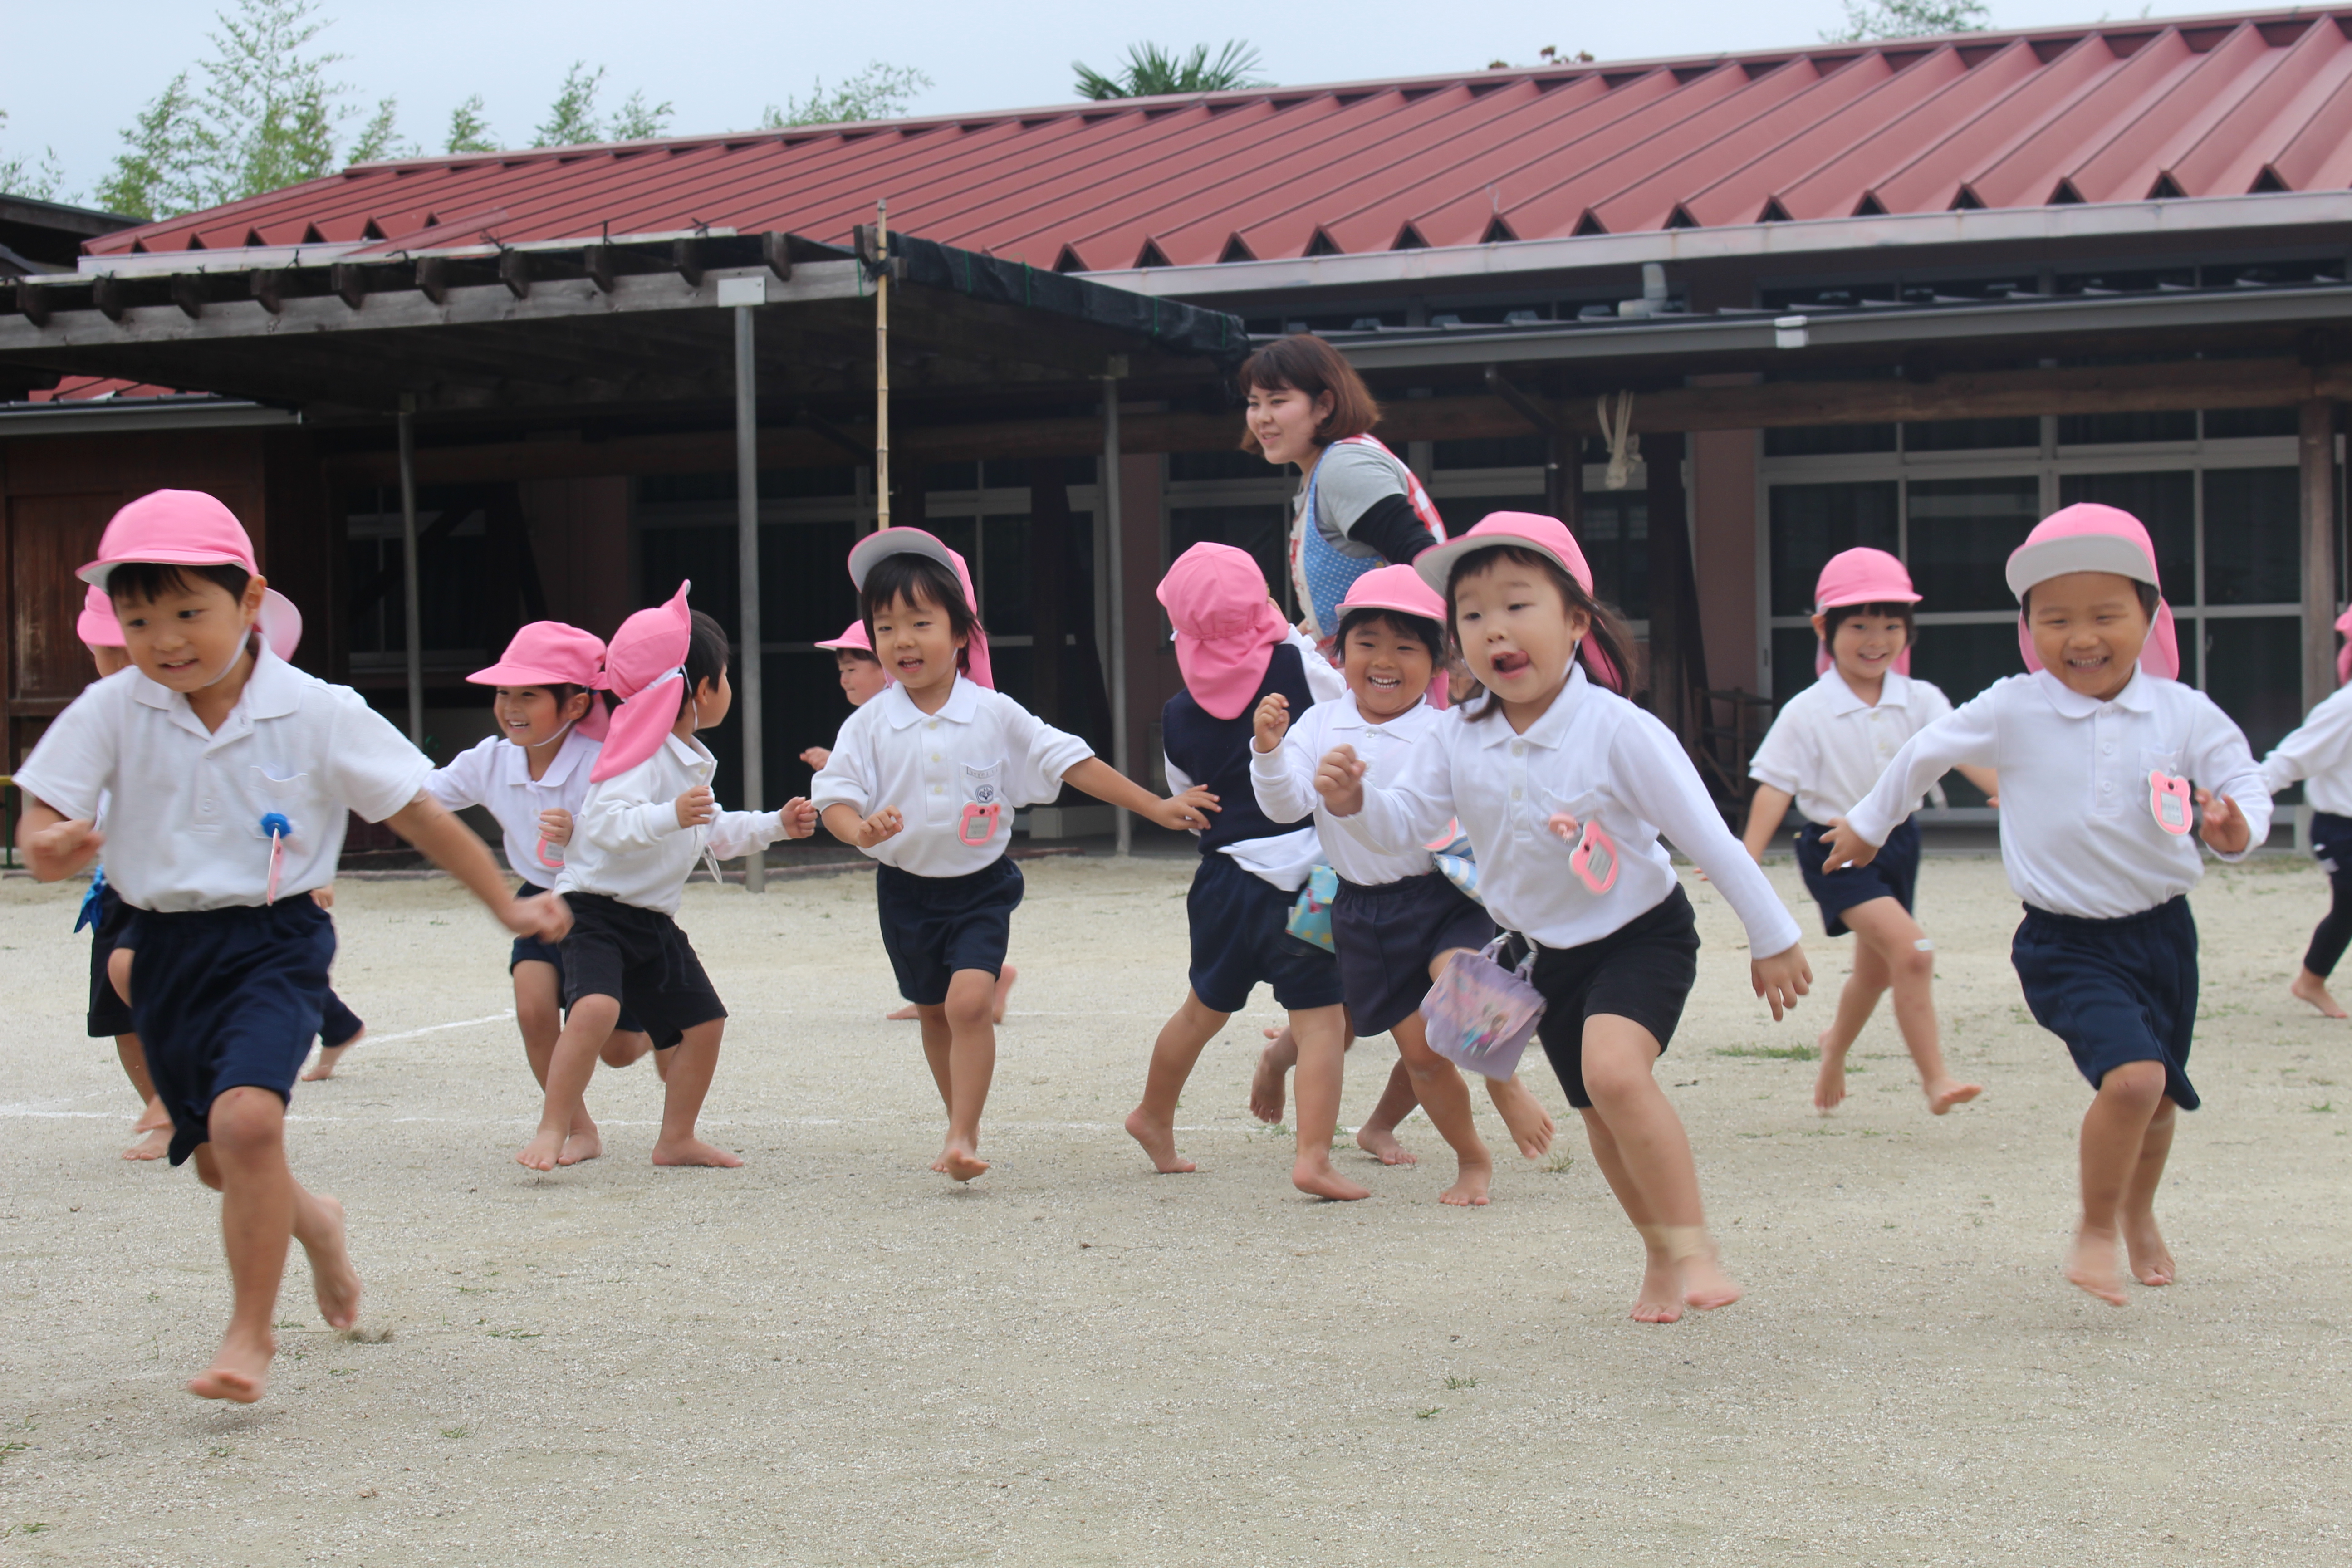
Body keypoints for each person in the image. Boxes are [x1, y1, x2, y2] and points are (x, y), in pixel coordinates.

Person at [13, 489, 570, 1404]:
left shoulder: (318, 709)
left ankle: (249, 1334)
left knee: (247, 1125)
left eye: (190, 612)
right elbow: (43, 819)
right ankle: (317, 1226)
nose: (165, 639)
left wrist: (508, 908)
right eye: (139, 617)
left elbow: (419, 813)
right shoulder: (111, 707)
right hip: (163, 949)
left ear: (252, 600)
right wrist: (46, 845)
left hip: (276, 941)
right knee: (214, 1161)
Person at [1318, 513, 1812, 1320]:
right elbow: (1406, 824)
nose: (1493, 630)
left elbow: (1707, 839)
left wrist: (1773, 935)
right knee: (1601, 1121)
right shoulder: (1455, 735)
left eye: (1517, 605)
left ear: (1575, 622)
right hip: (1545, 956)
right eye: (1471, 615)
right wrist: (1355, 801)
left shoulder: (1620, 732)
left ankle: (1693, 1247)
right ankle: (1657, 1256)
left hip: (1640, 934)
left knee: (1615, 1074)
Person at [1822, 503, 2266, 1308]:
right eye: (2055, 618)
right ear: (2028, 628)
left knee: (2159, 1098)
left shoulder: (2181, 712)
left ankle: (2135, 1211)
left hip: (2163, 935)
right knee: (2131, 1081)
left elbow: (2241, 781)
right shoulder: (2014, 705)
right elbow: (1927, 751)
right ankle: (2093, 1227)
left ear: (2147, 616)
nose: (2080, 636)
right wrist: (1865, 821)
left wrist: (2236, 827)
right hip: (2063, 942)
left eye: (2104, 614)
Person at [814, 529, 1211, 1181]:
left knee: (970, 1002)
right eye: (886, 629)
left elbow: (1073, 762)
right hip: (906, 893)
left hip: (980, 887)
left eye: (921, 622)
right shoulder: (869, 724)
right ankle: (956, 1125)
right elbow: (834, 797)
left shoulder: (994, 713)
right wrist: (858, 830)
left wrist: (1157, 808)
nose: (904, 641)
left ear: (963, 631)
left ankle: (964, 1136)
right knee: (936, 1013)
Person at [1252, 564, 1556, 1205]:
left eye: (1405, 647)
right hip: (1359, 909)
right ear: (1339, 652)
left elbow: (1498, 803)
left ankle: (1504, 1089)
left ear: (1439, 659)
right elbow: (1283, 808)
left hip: (1441, 896)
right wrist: (1269, 753)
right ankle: (1469, 1154)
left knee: (1462, 980)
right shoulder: (1318, 724)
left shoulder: (1449, 730)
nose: (1384, 661)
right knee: (1423, 1056)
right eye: (1367, 644)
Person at [522, 583, 816, 1172]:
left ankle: (676, 1138)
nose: (727, 688)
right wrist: (670, 815)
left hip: (652, 919)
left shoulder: (686, 754)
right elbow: (605, 824)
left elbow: (713, 832)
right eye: (725, 677)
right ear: (700, 690)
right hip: (596, 911)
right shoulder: (638, 753)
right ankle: (556, 1126)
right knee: (597, 1009)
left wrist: (778, 827)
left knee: (705, 1024)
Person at [1122, 542, 1367, 1197]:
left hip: (1227, 880)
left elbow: (1187, 791)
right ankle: (1312, 1157)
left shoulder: (1177, 712)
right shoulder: (1301, 669)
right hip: (1314, 878)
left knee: (1202, 1010)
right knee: (1320, 1020)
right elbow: (1349, 710)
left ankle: (1153, 1114)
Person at [80, 587, 370, 1103]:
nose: (133, 664)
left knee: (254, 972)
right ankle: (163, 1107)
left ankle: (229, 1078)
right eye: (119, 648)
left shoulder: (232, 714)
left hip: (217, 880)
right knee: (117, 1006)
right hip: (123, 890)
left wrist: (310, 873)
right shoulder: (101, 717)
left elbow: (290, 796)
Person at [1742, 548, 1994, 1115]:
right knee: (1914, 952)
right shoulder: (1807, 710)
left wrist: (2006, 790)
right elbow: (1775, 787)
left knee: (1876, 971)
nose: (1875, 638)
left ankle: (1834, 1047)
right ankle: (1936, 1080)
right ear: (1824, 629)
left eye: (1890, 625)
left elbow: (1961, 755)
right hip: (1834, 848)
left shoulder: (1923, 699)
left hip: (1899, 844)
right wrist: (1747, 855)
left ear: (1908, 631)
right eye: (1858, 626)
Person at [424, 621, 655, 1164]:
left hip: (603, 902)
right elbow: (420, 796)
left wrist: (581, 833)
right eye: (503, 693)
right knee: (533, 1010)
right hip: (539, 898)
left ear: (575, 705)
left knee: (620, 1051)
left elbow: (637, 828)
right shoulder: (490, 758)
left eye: (529, 694)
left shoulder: (606, 760)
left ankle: (656, 1031)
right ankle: (579, 1130)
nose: (510, 707)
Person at [801, 615, 1019, 1026]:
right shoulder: (867, 723)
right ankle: (945, 994)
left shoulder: (970, 711)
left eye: (851, 669)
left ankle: (973, 987)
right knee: (932, 985)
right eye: (841, 671)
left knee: (956, 989)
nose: (844, 680)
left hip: (963, 866)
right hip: (907, 876)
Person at [1240, 333, 1449, 657]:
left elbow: (1424, 563)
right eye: (1254, 403)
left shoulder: (1344, 466)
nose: (1262, 417)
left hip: (1398, 681)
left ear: (1324, 405)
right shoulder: (1324, 470)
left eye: (1277, 401)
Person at [2258, 604, 2352, 1019]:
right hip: (2340, 828)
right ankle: (2311, 981)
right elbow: (2289, 760)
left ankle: (2311, 981)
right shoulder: (2344, 707)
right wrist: (2247, 801)